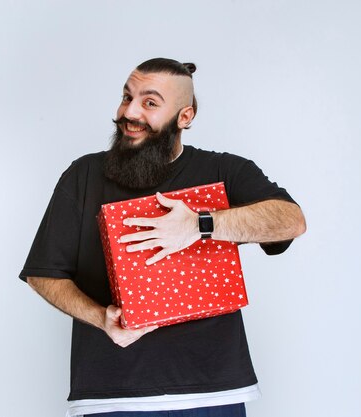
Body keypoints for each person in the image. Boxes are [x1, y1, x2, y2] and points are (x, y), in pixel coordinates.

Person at [19, 58, 306, 417]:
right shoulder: (83, 174)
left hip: (213, 394)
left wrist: (200, 224)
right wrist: (100, 317)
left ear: (185, 117)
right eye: (127, 97)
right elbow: (43, 273)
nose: (130, 112)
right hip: (110, 396)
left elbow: (290, 220)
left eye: (150, 103)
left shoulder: (224, 171)